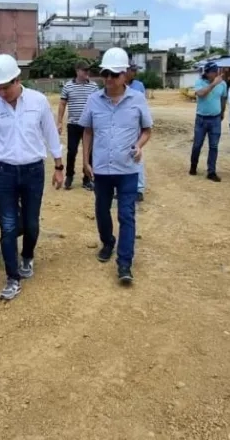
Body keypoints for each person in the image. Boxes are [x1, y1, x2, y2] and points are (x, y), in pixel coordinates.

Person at [0, 53, 64, 301]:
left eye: (6, 87)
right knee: (7, 226)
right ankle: (12, 277)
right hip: (4, 172)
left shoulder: (38, 101)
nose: (2, 92)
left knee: (31, 223)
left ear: (18, 79)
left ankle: (27, 256)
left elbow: (51, 135)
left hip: (33, 171)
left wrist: (59, 166)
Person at [82, 48, 153, 285]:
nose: (109, 79)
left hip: (127, 170)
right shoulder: (94, 100)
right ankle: (108, 242)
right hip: (102, 169)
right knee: (102, 211)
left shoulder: (138, 99)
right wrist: (85, 161)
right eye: (105, 74)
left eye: (114, 74)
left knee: (127, 215)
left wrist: (140, 145)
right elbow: (88, 131)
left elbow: (147, 130)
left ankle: (124, 263)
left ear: (125, 75)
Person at [57, 60, 99, 190]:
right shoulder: (68, 86)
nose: (87, 72)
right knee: (71, 151)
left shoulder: (94, 87)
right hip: (73, 124)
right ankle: (69, 176)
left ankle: (87, 178)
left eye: (88, 70)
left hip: (89, 126)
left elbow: (99, 105)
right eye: (84, 70)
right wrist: (59, 121)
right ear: (77, 71)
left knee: (90, 152)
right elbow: (62, 104)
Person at [190, 61, 228, 182]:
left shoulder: (222, 84)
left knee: (214, 146)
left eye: (216, 71)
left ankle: (211, 171)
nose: (216, 73)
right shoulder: (200, 82)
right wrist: (213, 85)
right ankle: (193, 166)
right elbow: (201, 94)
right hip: (201, 119)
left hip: (215, 119)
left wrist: (222, 112)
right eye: (213, 71)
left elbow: (223, 98)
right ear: (206, 73)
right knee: (197, 145)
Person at [125, 63, 148, 202]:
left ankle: (139, 188)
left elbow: (143, 108)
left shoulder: (139, 86)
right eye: (132, 70)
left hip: (136, 126)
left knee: (137, 154)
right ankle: (121, 188)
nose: (134, 73)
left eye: (135, 70)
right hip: (121, 126)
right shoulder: (116, 85)